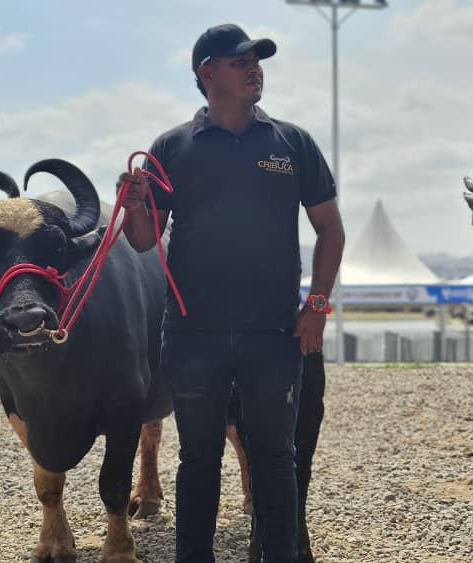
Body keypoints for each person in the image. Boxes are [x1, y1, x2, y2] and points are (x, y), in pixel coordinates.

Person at [117, 23, 344, 563]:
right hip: (193, 333)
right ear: (207, 72)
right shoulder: (170, 147)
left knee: (276, 457)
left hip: (274, 333)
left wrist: (316, 306)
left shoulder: (293, 142)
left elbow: (330, 230)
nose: (254, 67)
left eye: (257, 60)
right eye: (241, 59)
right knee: (197, 458)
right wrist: (133, 204)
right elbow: (145, 242)